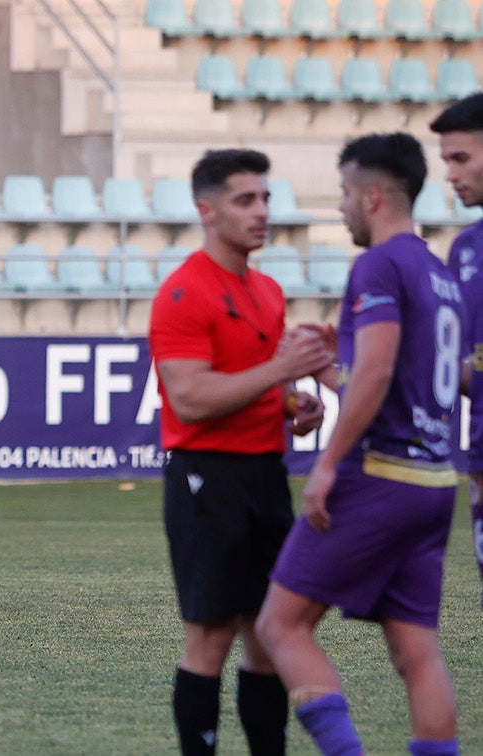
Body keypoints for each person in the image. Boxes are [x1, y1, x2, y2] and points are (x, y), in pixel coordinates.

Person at [255, 133, 463, 756]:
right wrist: (329, 371)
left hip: (379, 475)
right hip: (433, 484)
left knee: (280, 625)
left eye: (345, 193)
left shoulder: (377, 264)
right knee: (414, 650)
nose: (342, 207)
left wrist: (326, 465)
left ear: (373, 196)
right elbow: (392, 374)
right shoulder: (437, 271)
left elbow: (373, 375)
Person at [149, 148, 333, 756]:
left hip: (264, 476)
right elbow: (192, 398)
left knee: (269, 633)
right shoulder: (183, 293)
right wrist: (282, 370)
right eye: (245, 199)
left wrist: (292, 405)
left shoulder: (268, 290)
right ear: (207, 210)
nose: (262, 212)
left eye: (266, 198)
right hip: (206, 480)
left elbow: (260, 381)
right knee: (211, 637)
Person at [430, 93, 483, 608]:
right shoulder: (466, 249)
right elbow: (471, 372)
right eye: (446, 159)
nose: (449, 173)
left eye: (460, 158)